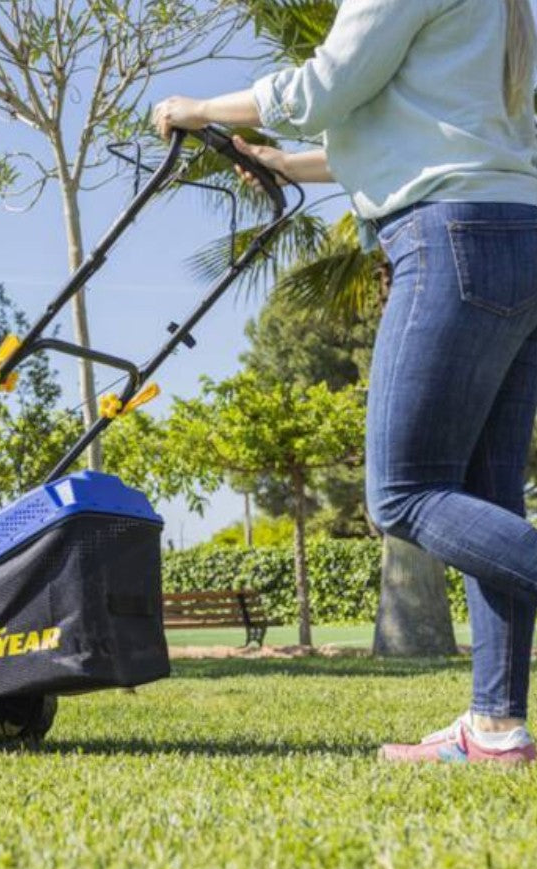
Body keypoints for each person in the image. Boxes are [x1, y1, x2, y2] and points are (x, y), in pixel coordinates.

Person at [154, 0, 537, 765]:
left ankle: (496, 724)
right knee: (486, 500)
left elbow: (320, 90)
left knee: (404, 493)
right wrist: (289, 165)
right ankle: (496, 728)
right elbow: (427, 124)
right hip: (515, 234)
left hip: (449, 235)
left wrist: (195, 106)